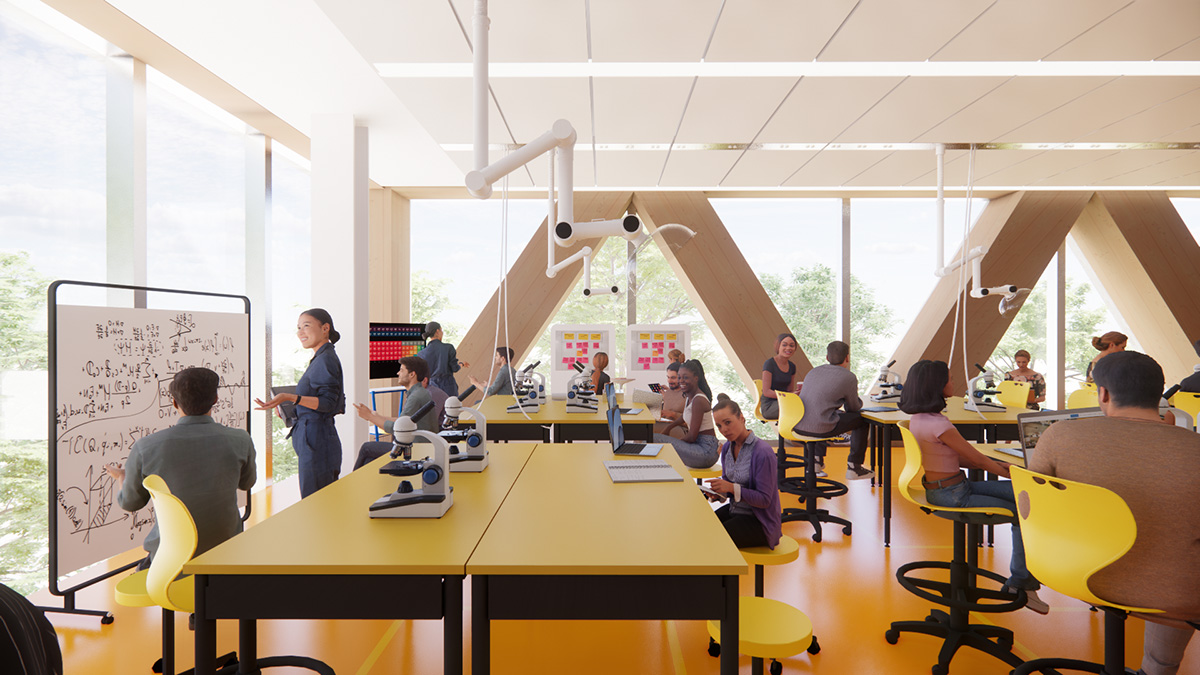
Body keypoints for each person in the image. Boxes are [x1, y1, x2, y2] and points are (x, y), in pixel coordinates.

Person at [1029, 351, 1199, 675]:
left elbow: (1031, 506)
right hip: (1174, 595)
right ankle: (1158, 668)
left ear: (1103, 394)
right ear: (1159, 394)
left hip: (1075, 574)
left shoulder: (1059, 436)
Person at [898, 359, 1047, 614]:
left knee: (1023, 496)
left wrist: (1002, 465)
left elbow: (959, 457)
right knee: (1021, 512)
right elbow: (977, 459)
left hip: (949, 487)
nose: (953, 383)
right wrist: (1009, 472)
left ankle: (1021, 579)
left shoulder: (919, 419)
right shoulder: (940, 424)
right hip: (953, 495)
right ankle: (1021, 584)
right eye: (950, 379)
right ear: (937, 385)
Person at [108, 367, 256, 564]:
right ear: (215, 399)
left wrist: (121, 477)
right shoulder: (241, 439)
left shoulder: (146, 447)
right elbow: (247, 483)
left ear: (174, 402)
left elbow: (130, 503)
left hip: (170, 562)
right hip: (226, 552)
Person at [255, 309, 345, 498]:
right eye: (298, 328)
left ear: (325, 328)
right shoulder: (321, 357)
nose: (300, 332)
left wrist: (291, 398)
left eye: (306, 326)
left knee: (316, 502)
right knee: (316, 499)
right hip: (314, 436)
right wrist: (292, 410)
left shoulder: (325, 360)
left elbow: (328, 403)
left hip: (318, 438)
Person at [704, 394, 782, 549]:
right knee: (703, 529)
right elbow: (729, 485)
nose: (724, 430)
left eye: (728, 423)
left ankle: (724, 573)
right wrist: (720, 494)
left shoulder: (762, 452)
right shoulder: (727, 447)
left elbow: (765, 500)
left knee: (713, 540)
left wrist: (731, 488)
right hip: (737, 511)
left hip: (759, 521)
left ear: (741, 418)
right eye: (719, 426)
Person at [795, 340, 873, 480]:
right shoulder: (848, 376)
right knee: (861, 420)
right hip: (820, 427)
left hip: (798, 425)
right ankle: (854, 467)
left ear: (827, 357)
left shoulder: (813, 371)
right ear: (847, 358)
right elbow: (852, 408)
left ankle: (816, 462)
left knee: (823, 413)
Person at [352, 356, 436, 470]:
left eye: (401, 370)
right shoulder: (419, 393)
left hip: (416, 449)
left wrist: (370, 417)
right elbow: (404, 422)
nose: (398, 373)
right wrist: (378, 416)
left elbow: (398, 428)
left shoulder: (416, 397)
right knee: (368, 459)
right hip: (419, 445)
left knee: (366, 448)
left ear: (412, 374)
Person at [654, 360, 719, 468]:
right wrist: (668, 428)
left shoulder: (699, 400)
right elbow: (683, 417)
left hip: (705, 452)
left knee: (655, 439)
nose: (681, 381)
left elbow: (692, 436)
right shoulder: (689, 396)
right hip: (699, 447)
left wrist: (674, 444)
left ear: (696, 378)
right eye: (679, 377)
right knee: (655, 439)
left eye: (685, 377)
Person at [418, 321, 468, 397]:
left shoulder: (421, 354)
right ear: (438, 331)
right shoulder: (448, 348)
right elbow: (455, 368)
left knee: (435, 408)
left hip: (432, 388)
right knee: (451, 408)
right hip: (448, 387)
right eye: (441, 330)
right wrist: (462, 364)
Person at [759, 333, 799, 420]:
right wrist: (785, 396)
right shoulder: (769, 364)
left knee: (803, 403)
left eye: (791, 345)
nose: (788, 348)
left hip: (784, 402)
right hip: (769, 406)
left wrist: (796, 393)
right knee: (796, 408)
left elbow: (789, 390)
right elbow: (766, 392)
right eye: (784, 345)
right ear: (778, 346)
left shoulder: (792, 366)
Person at [654, 362, 687, 437]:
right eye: (668, 377)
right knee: (642, 426)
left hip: (680, 428)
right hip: (665, 424)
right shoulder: (668, 392)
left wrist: (673, 414)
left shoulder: (687, 394)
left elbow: (691, 422)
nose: (669, 381)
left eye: (673, 378)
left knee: (645, 430)